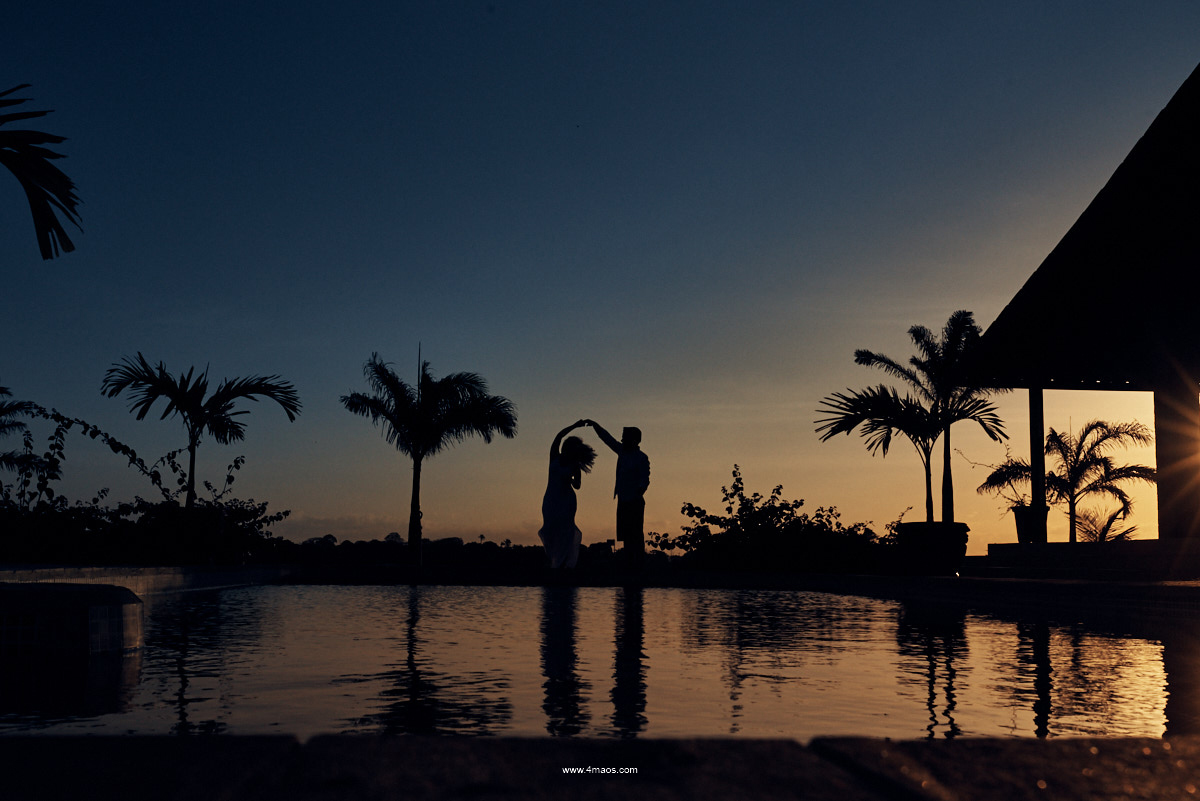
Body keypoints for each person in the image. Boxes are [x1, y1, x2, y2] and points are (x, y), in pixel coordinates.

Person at [587, 420, 650, 566]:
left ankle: (638, 564)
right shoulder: (622, 452)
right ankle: (629, 564)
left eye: (624, 437)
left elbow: (645, 479)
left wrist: (639, 492)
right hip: (623, 500)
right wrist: (595, 425)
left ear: (634, 440)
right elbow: (607, 439)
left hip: (634, 501)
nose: (622, 440)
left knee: (635, 535)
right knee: (626, 535)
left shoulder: (641, 457)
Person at [538, 420, 597, 569]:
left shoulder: (575, 465)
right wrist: (575, 425)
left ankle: (564, 563)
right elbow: (558, 436)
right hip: (551, 498)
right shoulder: (554, 457)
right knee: (550, 528)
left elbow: (578, 485)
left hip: (566, 500)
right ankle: (553, 560)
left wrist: (570, 480)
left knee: (565, 530)